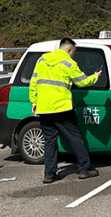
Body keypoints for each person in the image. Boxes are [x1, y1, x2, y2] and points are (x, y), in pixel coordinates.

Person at [29, 38, 102, 183]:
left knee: (49, 141)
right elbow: (82, 82)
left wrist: (34, 102)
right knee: (75, 138)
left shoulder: (41, 61)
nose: (73, 55)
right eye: (73, 51)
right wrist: (95, 76)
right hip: (62, 108)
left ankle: (49, 174)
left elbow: (33, 83)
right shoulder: (68, 63)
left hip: (44, 108)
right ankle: (84, 169)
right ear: (69, 49)